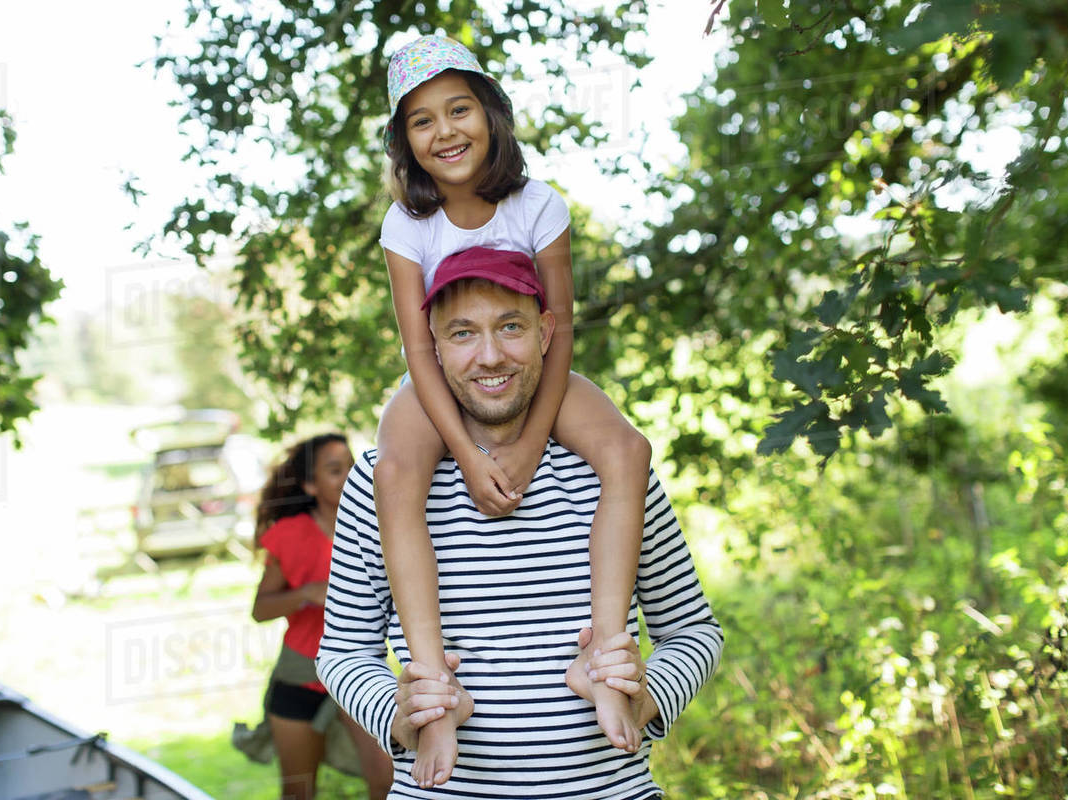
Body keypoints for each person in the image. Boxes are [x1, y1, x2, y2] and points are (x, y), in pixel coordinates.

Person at [318, 249, 724, 798]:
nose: (489, 356)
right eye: (462, 334)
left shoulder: (613, 471)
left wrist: (645, 693)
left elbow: (694, 630)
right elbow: (342, 652)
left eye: (510, 327)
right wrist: (402, 712)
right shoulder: (380, 483)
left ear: (545, 332)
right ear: (431, 347)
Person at [373, 33, 653, 787]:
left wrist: (528, 444)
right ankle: (435, 695)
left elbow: (558, 331)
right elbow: (419, 348)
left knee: (627, 451)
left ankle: (604, 660)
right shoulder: (407, 225)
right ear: (406, 143)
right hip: (441, 375)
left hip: (534, 368)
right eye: (422, 122)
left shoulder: (539, 205)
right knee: (395, 467)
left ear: (491, 114)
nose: (445, 132)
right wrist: (464, 454)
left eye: (459, 109)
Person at [250, 435, 393, 800]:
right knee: (298, 792)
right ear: (311, 485)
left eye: (351, 465)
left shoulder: (380, 526)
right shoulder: (290, 534)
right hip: (300, 672)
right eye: (334, 470)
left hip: (362, 667)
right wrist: (305, 593)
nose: (348, 475)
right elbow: (260, 609)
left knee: (388, 782)